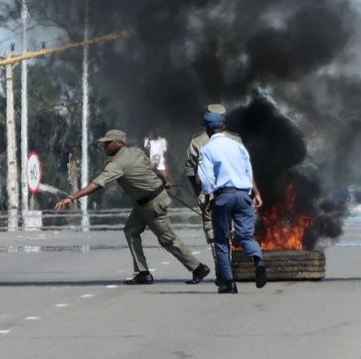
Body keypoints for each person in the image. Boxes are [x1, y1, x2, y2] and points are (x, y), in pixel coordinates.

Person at [55, 129, 211, 286]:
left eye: (108, 143)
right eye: (104, 144)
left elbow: (97, 184)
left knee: (167, 239)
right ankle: (143, 272)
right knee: (131, 230)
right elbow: (154, 169)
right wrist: (165, 181)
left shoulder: (117, 163)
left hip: (152, 203)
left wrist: (72, 197)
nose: (105, 147)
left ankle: (198, 268)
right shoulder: (135, 151)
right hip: (146, 202)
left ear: (120, 142)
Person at [197, 111, 267, 294]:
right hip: (244, 195)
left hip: (223, 196)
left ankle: (228, 283)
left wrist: (210, 197)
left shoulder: (207, 150)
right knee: (245, 236)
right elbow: (247, 171)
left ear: (207, 130)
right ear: (224, 127)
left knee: (221, 241)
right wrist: (255, 193)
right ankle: (257, 259)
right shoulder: (237, 146)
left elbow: (206, 179)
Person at [184, 103, 229, 257]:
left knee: (213, 230)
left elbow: (190, 169)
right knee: (233, 229)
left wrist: (197, 190)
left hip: (208, 193)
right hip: (233, 190)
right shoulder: (234, 138)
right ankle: (234, 265)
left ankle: (221, 267)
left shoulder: (197, 141)